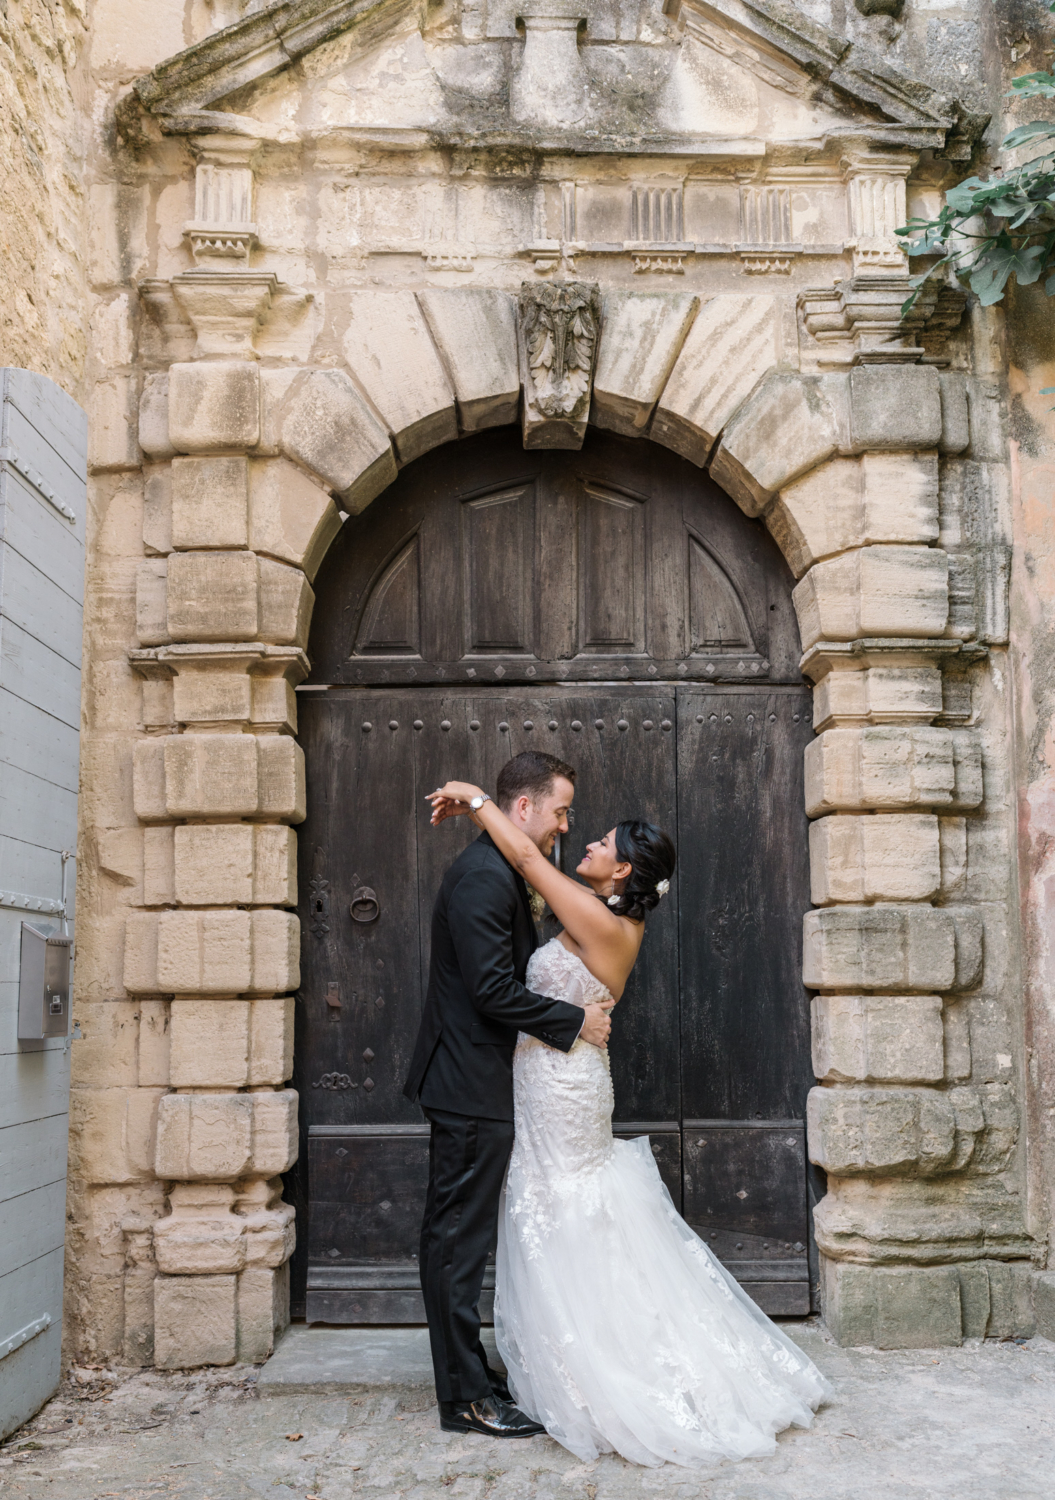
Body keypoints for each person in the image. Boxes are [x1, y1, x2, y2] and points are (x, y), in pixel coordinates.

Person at [426, 777, 832, 1470]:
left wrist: (476, 799)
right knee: (557, 1210)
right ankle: (560, 1361)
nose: (582, 837)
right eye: (573, 820)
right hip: (549, 1078)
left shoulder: (601, 921)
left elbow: (526, 863)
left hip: (562, 1084)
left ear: (621, 872)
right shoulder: (601, 912)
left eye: (601, 842)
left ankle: (604, 1370)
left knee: (566, 1212)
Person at [404, 751, 613, 1440]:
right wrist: (573, 1021)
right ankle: (464, 1398)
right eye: (558, 812)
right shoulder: (480, 880)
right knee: (455, 1242)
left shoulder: (505, 868)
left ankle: (470, 1374)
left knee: (462, 1238)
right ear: (522, 809)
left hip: (486, 1081)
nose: (563, 826)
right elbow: (490, 991)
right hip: (466, 1083)